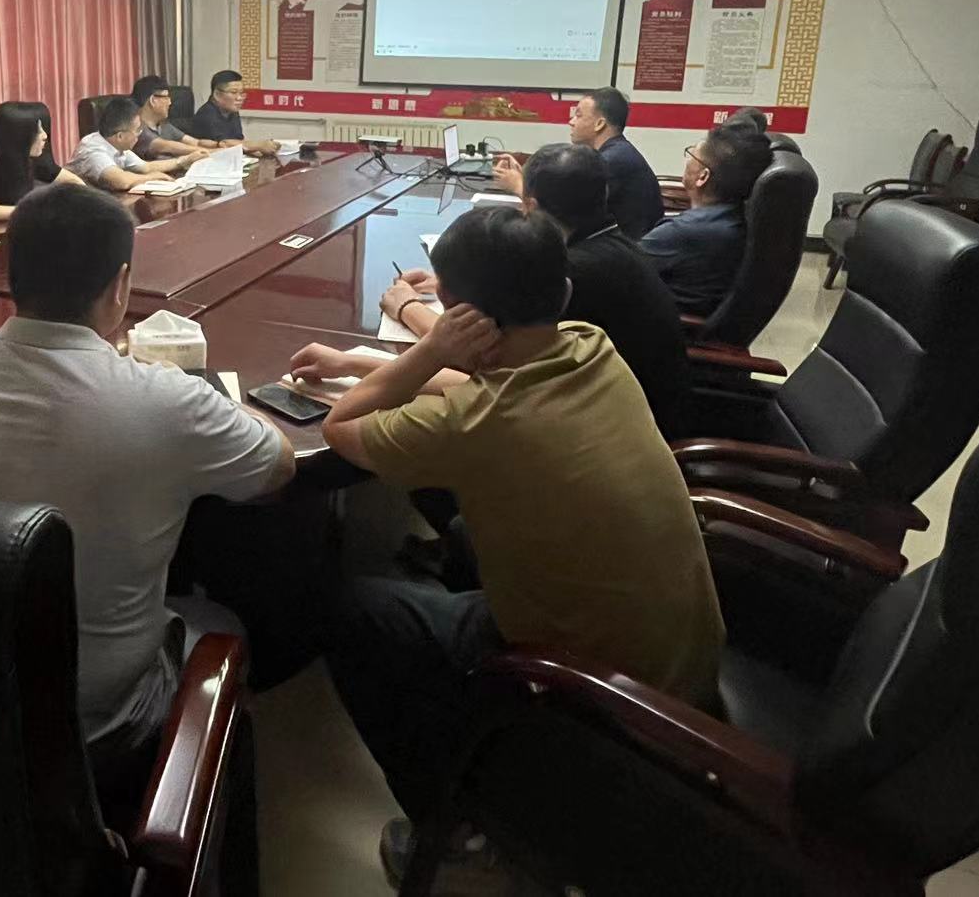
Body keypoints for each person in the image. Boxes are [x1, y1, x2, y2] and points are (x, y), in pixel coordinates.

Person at [292, 207, 723, 887]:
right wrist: (358, 360)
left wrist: (427, 350)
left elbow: (343, 427)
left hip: (605, 692)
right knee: (463, 536)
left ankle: (460, 838)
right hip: (677, 655)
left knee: (350, 610)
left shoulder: (479, 423)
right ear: (564, 293)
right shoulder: (587, 345)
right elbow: (483, 387)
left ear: (462, 316)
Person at [0, 183, 294, 852]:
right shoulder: (164, 400)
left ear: (9, 275)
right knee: (218, 622)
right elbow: (276, 467)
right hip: (97, 724)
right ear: (119, 286)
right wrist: (202, 394)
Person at [390, 143, 689, 439]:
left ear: (531, 209)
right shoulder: (612, 246)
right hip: (629, 413)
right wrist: (456, 280)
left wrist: (407, 307)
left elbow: (476, 352)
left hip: (617, 430)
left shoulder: (572, 272)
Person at [640, 123, 773, 317]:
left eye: (692, 155)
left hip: (656, 321)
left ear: (703, 176)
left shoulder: (684, 232)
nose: (687, 161)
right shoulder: (731, 217)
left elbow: (619, 269)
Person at [0, 100, 83, 221]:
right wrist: (27, 211)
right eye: (37, 131)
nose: (44, 136)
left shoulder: (34, 160)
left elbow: (75, 182)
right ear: (18, 136)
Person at [564, 86, 664, 239]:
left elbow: (569, 211)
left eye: (578, 115)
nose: (571, 122)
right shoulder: (619, 152)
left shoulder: (610, 161)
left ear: (599, 124)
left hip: (629, 249)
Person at [65, 96, 206, 191]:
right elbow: (121, 181)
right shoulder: (93, 150)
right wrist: (151, 178)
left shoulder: (117, 145)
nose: (140, 134)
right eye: (137, 130)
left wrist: (185, 160)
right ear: (120, 136)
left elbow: (146, 167)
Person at [187, 70, 278, 155]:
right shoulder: (206, 114)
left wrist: (258, 149)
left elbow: (239, 141)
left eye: (241, 93)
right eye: (234, 92)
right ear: (217, 95)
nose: (239, 98)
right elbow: (223, 144)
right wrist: (258, 145)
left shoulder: (231, 111)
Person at [131, 74, 217, 158]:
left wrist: (219, 144)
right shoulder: (136, 128)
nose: (170, 103)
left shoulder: (164, 126)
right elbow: (168, 147)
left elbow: (196, 143)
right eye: (166, 98)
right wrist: (215, 152)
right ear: (153, 100)